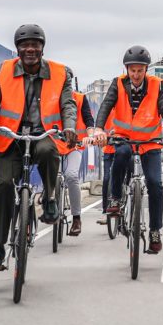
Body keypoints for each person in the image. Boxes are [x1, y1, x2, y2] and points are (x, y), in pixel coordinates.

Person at [0, 24, 77, 271]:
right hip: (11, 138)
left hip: (41, 133)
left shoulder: (60, 73)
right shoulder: (4, 70)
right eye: (24, 45)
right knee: (3, 186)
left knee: (48, 152)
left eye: (35, 44)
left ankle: (50, 198)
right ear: (17, 49)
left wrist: (69, 127)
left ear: (42, 48)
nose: (30, 49)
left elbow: (68, 104)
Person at [90, 45, 163, 254]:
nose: (136, 75)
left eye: (140, 70)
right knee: (120, 154)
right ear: (127, 69)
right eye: (132, 70)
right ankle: (115, 197)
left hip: (150, 142)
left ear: (146, 69)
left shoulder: (157, 85)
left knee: (155, 184)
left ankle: (155, 231)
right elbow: (106, 105)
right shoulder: (118, 83)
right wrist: (99, 128)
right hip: (124, 138)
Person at [59, 89, 95, 236]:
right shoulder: (49, 94)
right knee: (49, 174)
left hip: (74, 145)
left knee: (71, 175)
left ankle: (76, 218)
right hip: (54, 145)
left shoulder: (80, 98)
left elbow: (88, 119)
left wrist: (90, 136)